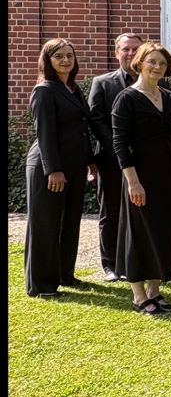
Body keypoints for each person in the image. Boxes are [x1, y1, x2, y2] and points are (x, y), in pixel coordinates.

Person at [112, 42, 171, 315]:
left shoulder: (169, 98)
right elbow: (120, 144)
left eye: (161, 62)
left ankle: (155, 291)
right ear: (139, 63)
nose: (157, 66)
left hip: (167, 175)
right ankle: (138, 296)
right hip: (141, 175)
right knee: (139, 233)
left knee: (163, 230)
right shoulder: (126, 98)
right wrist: (133, 182)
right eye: (151, 61)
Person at [25, 39, 93, 298]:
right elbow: (45, 134)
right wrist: (53, 169)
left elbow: (81, 129)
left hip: (74, 166)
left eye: (69, 56)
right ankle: (41, 285)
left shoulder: (73, 89)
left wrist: (89, 161)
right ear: (48, 61)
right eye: (59, 56)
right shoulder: (44, 90)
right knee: (45, 224)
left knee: (69, 222)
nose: (66, 60)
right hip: (48, 167)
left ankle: (65, 275)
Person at [87, 33, 147, 282]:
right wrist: (118, 149)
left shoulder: (155, 82)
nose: (131, 53)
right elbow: (95, 119)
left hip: (144, 159)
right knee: (110, 212)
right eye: (126, 49)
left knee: (142, 211)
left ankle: (140, 261)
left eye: (135, 49)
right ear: (116, 52)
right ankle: (110, 264)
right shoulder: (102, 82)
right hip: (111, 159)